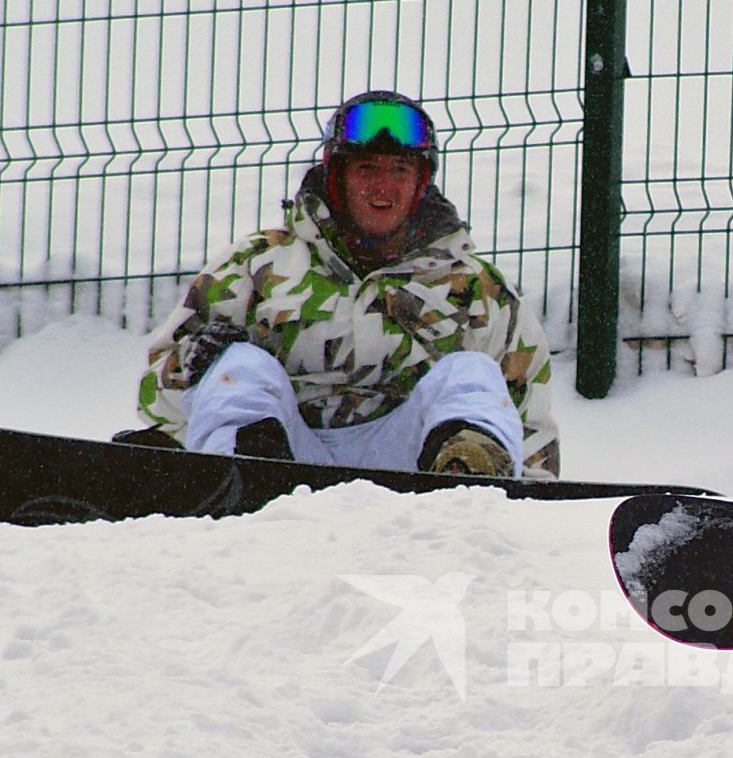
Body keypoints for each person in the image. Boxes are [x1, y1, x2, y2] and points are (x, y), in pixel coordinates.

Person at [130, 90, 559, 478]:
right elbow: (155, 397)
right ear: (336, 177)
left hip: (416, 483)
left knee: (471, 372)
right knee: (239, 365)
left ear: (421, 183)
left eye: (400, 169)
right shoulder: (257, 263)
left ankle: (471, 492)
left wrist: (528, 513)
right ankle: (239, 485)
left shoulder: (476, 287)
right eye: (367, 168)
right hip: (283, 474)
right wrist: (194, 364)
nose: (383, 187)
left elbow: (527, 419)